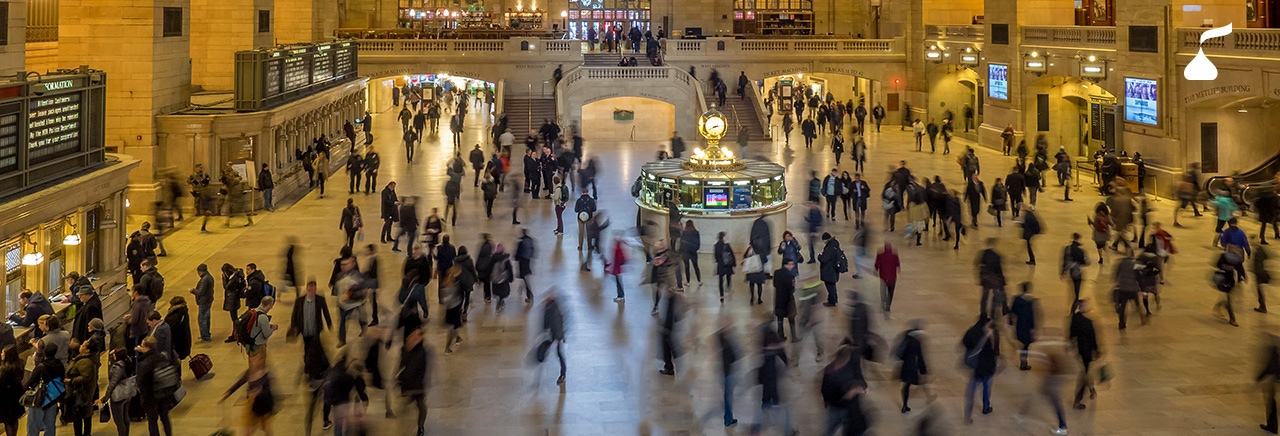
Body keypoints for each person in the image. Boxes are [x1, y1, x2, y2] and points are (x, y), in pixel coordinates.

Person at [220, 351, 277, 436]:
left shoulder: (265, 375)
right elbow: (240, 382)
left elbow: (268, 391)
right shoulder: (249, 372)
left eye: (254, 361)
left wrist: (258, 391)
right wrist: (229, 392)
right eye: (250, 361)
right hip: (252, 405)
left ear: (260, 362)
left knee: (266, 428)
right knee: (248, 429)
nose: (251, 363)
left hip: (264, 406)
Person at [754, 329, 794, 435]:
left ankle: (755, 430)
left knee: (763, 406)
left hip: (766, 388)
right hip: (774, 388)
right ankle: (788, 431)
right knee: (783, 410)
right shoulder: (775, 355)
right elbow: (785, 363)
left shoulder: (763, 352)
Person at [136, 337, 177, 436]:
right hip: (165, 392)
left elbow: (140, 382)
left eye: (142, 346)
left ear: (147, 348)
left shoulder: (144, 363)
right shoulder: (163, 356)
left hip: (151, 396)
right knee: (165, 416)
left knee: (152, 421)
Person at [961, 315, 999, 423]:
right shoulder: (986, 336)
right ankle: (986, 407)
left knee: (971, 392)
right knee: (986, 387)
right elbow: (990, 354)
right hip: (984, 367)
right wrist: (993, 367)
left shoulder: (970, 331)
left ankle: (967, 415)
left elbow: (965, 343)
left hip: (974, 367)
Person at [24, 346, 64, 436]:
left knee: (34, 426)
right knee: (50, 425)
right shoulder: (59, 364)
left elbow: (31, 381)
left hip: (39, 398)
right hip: (53, 397)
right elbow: (62, 378)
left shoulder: (41, 367)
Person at [1069, 300, 1100, 410]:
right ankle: (1077, 400)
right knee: (1085, 374)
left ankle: (1091, 389)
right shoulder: (1087, 322)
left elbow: (1072, 334)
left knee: (1086, 370)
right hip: (1087, 351)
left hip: (1080, 349)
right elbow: (1093, 338)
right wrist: (1097, 351)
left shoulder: (1074, 318)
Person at [894, 320, 929, 414]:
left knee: (906, 385)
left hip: (905, 365)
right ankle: (926, 397)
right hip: (912, 365)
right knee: (912, 383)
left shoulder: (905, 337)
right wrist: (923, 370)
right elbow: (920, 356)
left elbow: (899, 353)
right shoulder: (917, 341)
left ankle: (904, 405)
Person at [98, 348, 133, 436]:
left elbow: (112, 384)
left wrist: (105, 398)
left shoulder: (117, 367)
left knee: (119, 421)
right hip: (127, 393)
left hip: (118, 396)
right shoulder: (128, 362)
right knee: (125, 417)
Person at [976, 238, 1007, 320]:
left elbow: (978, 264)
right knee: (995, 296)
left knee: (984, 296)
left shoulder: (983, 253)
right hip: (994, 279)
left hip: (985, 279)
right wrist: (1002, 280)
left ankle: (983, 313)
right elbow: (999, 270)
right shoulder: (997, 256)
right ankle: (992, 313)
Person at [772, 259, 798, 340]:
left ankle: (780, 336)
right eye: (791, 264)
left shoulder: (776, 272)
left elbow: (775, 284)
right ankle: (794, 336)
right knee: (791, 318)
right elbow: (791, 288)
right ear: (785, 265)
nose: (792, 266)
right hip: (788, 300)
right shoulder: (790, 275)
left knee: (780, 318)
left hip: (779, 298)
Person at [818, 232, 845, 307]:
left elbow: (824, 259)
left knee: (830, 286)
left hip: (829, 270)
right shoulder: (835, 245)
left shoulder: (829, 248)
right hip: (834, 269)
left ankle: (832, 301)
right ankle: (834, 299)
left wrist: (819, 256)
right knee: (832, 285)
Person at [874, 242, 901, 314]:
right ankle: (888, 305)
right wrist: (898, 269)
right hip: (892, 278)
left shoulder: (880, 255)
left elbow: (877, 263)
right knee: (891, 292)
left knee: (883, 290)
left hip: (883, 276)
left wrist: (876, 270)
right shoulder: (894, 256)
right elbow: (898, 265)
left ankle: (883, 302)